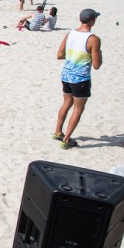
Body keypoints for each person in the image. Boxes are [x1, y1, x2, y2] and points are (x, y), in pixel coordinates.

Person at [53, 9, 102, 150]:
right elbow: (97, 65)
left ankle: (58, 131)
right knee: (77, 110)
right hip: (80, 78)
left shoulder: (70, 34)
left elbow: (60, 55)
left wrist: (73, 58)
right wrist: (98, 54)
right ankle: (66, 139)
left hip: (66, 75)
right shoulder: (93, 39)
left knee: (66, 103)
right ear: (93, 20)